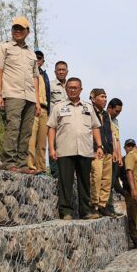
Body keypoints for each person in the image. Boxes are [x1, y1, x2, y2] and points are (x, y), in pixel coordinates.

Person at [48, 77, 103, 220]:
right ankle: (66, 212)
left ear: (81, 89)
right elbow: (51, 128)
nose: (72, 90)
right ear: (66, 89)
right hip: (65, 150)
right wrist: (52, 149)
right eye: (70, 87)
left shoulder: (88, 107)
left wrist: (99, 146)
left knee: (85, 183)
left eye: (75, 87)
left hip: (85, 150)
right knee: (65, 183)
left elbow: (95, 127)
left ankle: (86, 211)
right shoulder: (58, 107)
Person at [0, 16, 41, 173]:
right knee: (13, 128)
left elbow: (35, 78)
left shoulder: (31, 53)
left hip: (30, 97)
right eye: (15, 28)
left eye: (21, 28)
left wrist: (38, 101)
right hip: (12, 94)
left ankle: (22, 163)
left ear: (27, 31)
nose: (17, 31)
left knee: (26, 131)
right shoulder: (4, 47)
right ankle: (9, 162)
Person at [89, 89, 119, 217]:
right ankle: (94, 205)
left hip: (108, 151)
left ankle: (102, 206)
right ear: (93, 98)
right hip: (95, 150)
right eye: (102, 96)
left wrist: (115, 151)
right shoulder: (88, 112)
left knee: (107, 180)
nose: (105, 99)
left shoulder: (106, 115)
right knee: (97, 177)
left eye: (106, 97)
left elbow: (112, 134)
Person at [27, 49, 50, 173]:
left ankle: (41, 167)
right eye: (35, 57)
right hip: (32, 107)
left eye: (40, 58)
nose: (37, 60)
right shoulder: (28, 72)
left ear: (43, 61)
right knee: (31, 139)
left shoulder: (44, 75)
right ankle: (30, 165)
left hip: (45, 109)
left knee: (42, 142)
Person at [48, 60, 69, 177]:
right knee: (53, 145)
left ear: (67, 72)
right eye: (59, 70)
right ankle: (54, 171)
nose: (61, 72)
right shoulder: (50, 85)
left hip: (69, 122)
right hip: (55, 121)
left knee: (67, 146)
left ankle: (67, 171)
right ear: (55, 72)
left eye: (63, 70)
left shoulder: (71, 86)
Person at [115, 138, 137, 238]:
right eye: (129, 146)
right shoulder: (121, 162)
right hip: (129, 192)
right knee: (132, 218)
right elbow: (115, 180)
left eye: (133, 146)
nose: (131, 148)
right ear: (124, 148)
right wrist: (124, 192)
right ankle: (135, 240)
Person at [106, 98, 124, 214]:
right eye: (116, 111)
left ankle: (110, 206)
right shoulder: (103, 119)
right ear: (109, 109)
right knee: (106, 183)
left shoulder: (116, 121)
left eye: (119, 112)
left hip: (116, 157)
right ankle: (105, 207)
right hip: (107, 155)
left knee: (112, 184)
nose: (118, 114)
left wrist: (120, 155)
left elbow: (117, 139)